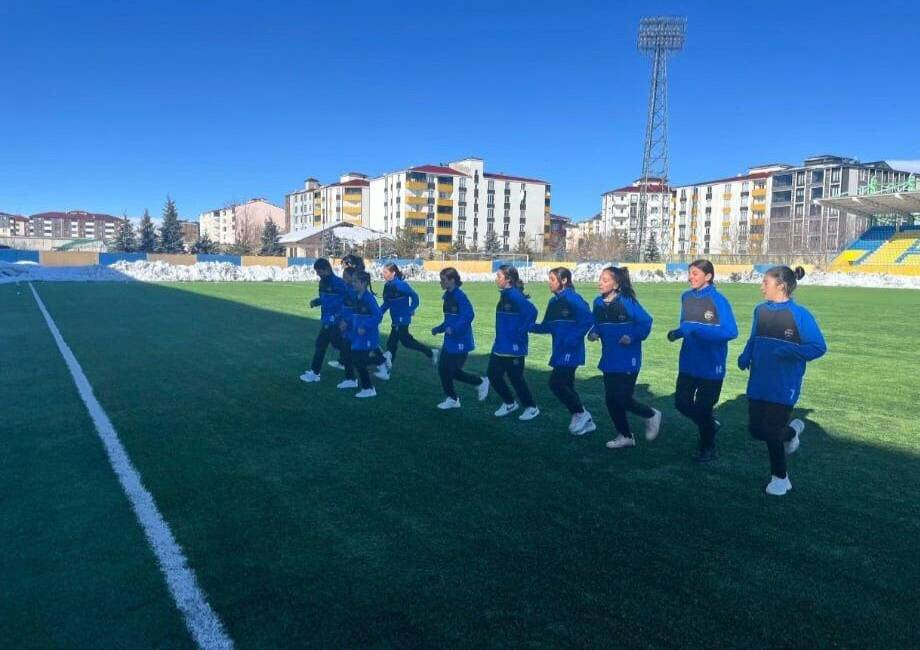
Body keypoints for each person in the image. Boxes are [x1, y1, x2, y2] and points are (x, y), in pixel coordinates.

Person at [738, 265, 826, 496]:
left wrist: (791, 352)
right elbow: (754, 337)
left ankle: (780, 478)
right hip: (759, 381)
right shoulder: (760, 311)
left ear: (781, 286)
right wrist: (746, 354)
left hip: (784, 383)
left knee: (770, 430)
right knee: (756, 430)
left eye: (765, 283)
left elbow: (818, 347)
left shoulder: (800, 315)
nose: (761, 287)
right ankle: (792, 433)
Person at [666, 260, 738, 462]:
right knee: (681, 404)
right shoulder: (686, 297)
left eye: (695, 273)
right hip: (688, 362)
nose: (691, 277)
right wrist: (677, 333)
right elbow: (687, 325)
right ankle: (710, 425)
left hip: (711, 365)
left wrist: (699, 331)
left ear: (708, 276)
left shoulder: (718, 300)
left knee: (704, 408)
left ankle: (708, 447)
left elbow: (731, 332)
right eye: (689, 273)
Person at [588, 266, 661, 449]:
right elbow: (597, 324)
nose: (600, 283)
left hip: (628, 359)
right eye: (600, 279)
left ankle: (651, 414)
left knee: (623, 398)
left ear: (617, 284)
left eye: (605, 280)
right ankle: (625, 436)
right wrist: (593, 333)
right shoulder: (597, 303)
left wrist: (633, 336)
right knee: (611, 400)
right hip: (609, 359)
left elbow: (646, 322)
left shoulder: (627, 301)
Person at [531, 267, 595, 435]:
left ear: (564, 280)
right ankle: (585, 421)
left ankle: (581, 413)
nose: (549, 283)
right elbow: (547, 326)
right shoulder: (553, 302)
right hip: (559, 351)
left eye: (552, 279)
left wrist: (573, 338)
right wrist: (530, 327)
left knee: (556, 383)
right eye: (549, 279)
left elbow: (589, 318)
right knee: (567, 385)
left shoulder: (573, 299)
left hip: (571, 351)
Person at [431, 267, 489, 409]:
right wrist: (439, 329)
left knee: (450, 371)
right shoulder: (448, 296)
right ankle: (454, 398)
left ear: (452, 280)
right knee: (445, 370)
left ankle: (479, 382)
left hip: (461, 341)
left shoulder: (460, 296)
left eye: (443, 280)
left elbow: (469, 315)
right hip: (450, 340)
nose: (441, 283)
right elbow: (449, 320)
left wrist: (454, 328)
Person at [488, 265, 540, 421]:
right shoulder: (505, 294)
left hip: (514, 346)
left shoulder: (514, 295)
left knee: (516, 378)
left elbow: (532, 312)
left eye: (499, 276)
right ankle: (510, 403)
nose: (496, 279)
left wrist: (520, 331)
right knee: (493, 375)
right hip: (501, 345)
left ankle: (531, 407)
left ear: (508, 279)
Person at [380, 263, 435, 372]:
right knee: (406, 342)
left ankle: (386, 371)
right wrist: (378, 313)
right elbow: (387, 303)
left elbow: (415, 297)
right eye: (383, 272)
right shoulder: (387, 286)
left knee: (392, 342)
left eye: (385, 272)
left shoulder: (401, 285)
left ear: (393, 273)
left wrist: (410, 309)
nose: (383, 274)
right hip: (395, 318)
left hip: (403, 318)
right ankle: (430, 352)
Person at [301, 258, 348, 383]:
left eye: (319, 271)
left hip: (335, 320)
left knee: (322, 344)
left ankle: (315, 373)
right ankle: (349, 361)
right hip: (327, 319)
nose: (317, 274)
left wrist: (340, 317)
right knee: (337, 344)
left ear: (326, 269)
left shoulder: (339, 283)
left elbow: (347, 301)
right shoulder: (322, 283)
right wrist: (316, 302)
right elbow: (324, 298)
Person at [348, 270, 384, 398]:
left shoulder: (369, 298)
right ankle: (382, 360)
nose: (353, 284)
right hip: (358, 336)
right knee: (357, 360)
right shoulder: (356, 295)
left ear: (363, 283)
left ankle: (369, 388)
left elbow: (378, 315)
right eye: (352, 281)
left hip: (367, 336)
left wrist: (365, 326)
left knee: (359, 361)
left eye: (355, 281)